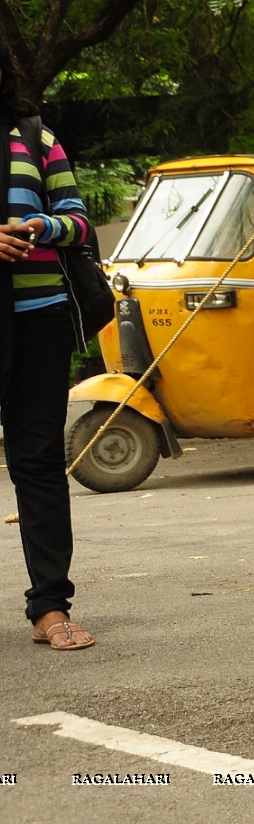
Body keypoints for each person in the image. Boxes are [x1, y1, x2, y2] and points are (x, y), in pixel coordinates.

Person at [1, 63, 96, 650]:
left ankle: (51, 608)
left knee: (36, 460)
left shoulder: (36, 137)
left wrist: (45, 224)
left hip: (40, 319)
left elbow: (80, 221)